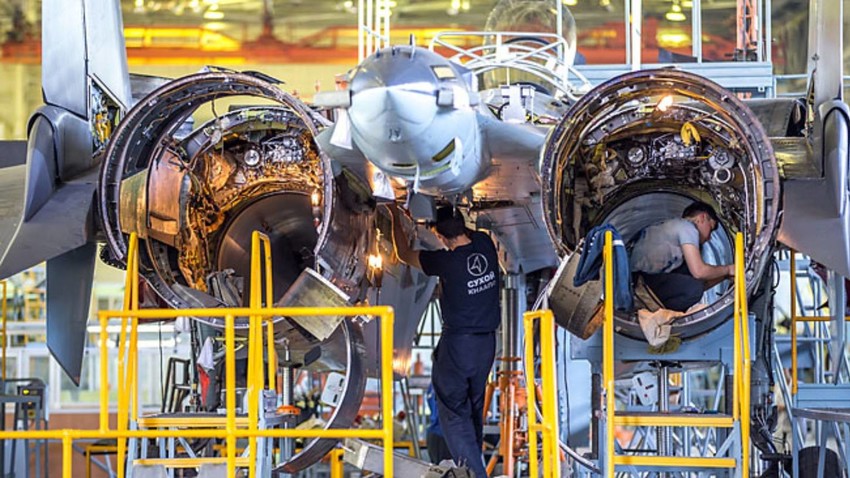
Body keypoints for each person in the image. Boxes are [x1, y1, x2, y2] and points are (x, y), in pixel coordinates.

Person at [389, 204, 500, 478]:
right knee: (473, 410)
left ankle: (475, 474)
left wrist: (393, 214)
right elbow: (464, 234)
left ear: (440, 236)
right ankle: (471, 470)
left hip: (459, 347)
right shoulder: (485, 243)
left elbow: (403, 254)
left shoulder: (446, 262)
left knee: (453, 413)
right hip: (485, 347)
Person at [630, 201, 735, 312]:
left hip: (641, 281)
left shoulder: (674, 229)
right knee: (694, 287)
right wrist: (728, 269)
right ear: (702, 217)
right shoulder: (687, 228)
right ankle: (669, 317)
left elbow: (700, 280)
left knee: (690, 276)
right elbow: (699, 272)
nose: (709, 238)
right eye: (711, 229)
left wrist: (724, 276)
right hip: (641, 283)